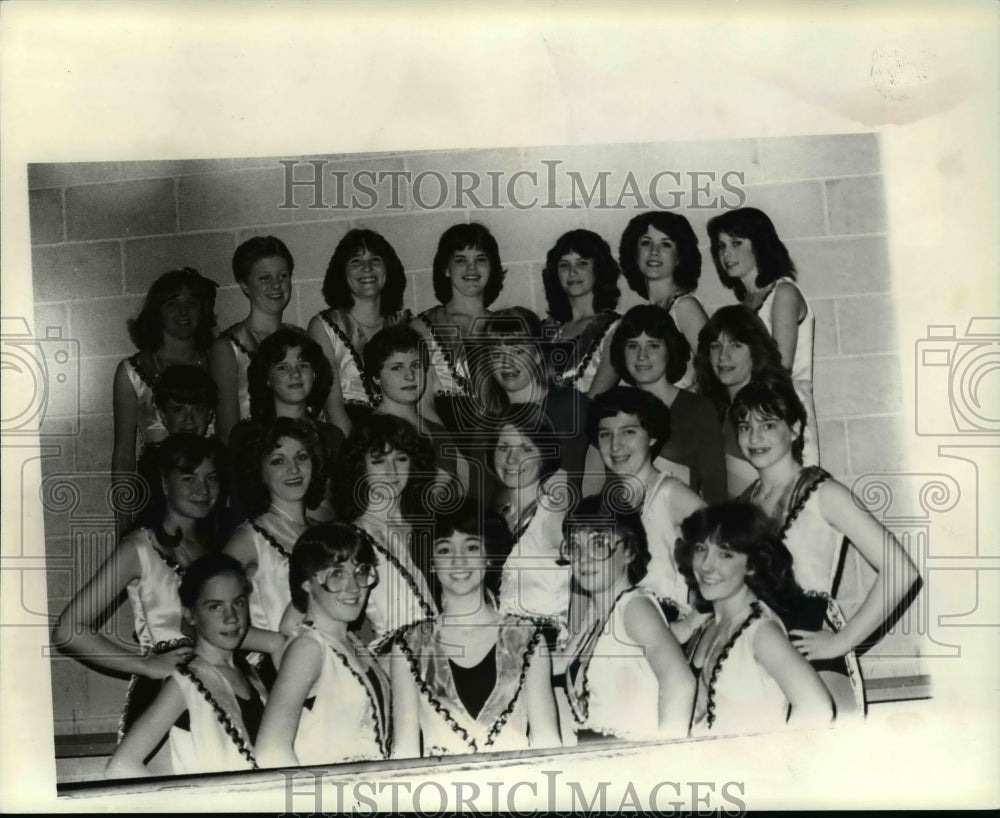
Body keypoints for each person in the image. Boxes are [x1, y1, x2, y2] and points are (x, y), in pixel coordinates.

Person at [731, 374, 921, 713]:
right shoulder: (741, 506)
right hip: (756, 650)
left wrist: (843, 641)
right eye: (745, 426)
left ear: (794, 429)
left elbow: (902, 570)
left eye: (768, 425)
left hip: (809, 643)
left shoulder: (825, 493)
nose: (754, 437)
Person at [53, 434, 228, 750]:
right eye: (189, 478)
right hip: (164, 698)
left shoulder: (219, 547)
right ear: (163, 482)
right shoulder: (139, 546)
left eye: (211, 477)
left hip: (221, 689)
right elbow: (69, 630)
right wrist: (146, 664)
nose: (203, 490)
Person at [391, 503, 561, 757]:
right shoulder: (408, 646)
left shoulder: (528, 638)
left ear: (488, 555)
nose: (458, 560)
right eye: (445, 549)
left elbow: (548, 744)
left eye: (471, 547)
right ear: (432, 562)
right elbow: (404, 752)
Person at [676, 502, 835, 736]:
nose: (707, 565)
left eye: (725, 554)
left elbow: (818, 707)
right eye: (701, 549)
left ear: (752, 565)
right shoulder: (708, 624)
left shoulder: (761, 631)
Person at [105, 554, 267, 777]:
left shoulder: (250, 674)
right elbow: (121, 765)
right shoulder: (186, 682)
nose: (231, 617)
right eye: (215, 607)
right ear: (190, 614)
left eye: (238, 602)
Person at [558, 491, 695, 742]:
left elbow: (680, 683)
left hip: (631, 762)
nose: (583, 558)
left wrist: (669, 761)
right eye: (575, 546)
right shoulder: (596, 616)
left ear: (630, 551)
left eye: (598, 544)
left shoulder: (635, 608)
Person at [256, 523, 390, 767]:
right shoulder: (308, 647)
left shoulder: (350, 642)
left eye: (360, 571)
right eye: (336, 574)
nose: (353, 587)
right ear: (307, 583)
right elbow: (270, 752)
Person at [707, 207, 820, 465]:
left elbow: (780, 369)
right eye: (721, 246)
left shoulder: (783, 293)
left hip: (780, 414)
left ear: (759, 244)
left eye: (736, 243)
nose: (726, 253)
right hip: (748, 416)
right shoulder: (745, 304)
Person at [112, 268, 218, 529]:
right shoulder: (132, 372)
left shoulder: (218, 363)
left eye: (191, 303)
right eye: (173, 303)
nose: (183, 312)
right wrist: (124, 527)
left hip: (211, 492)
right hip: (157, 492)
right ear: (157, 311)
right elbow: (124, 455)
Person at [586, 387, 705, 612]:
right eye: (605, 434)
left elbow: (733, 554)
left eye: (628, 432)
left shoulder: (669, 493)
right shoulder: (605, 505)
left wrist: (693, 622)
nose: (615, 445)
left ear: (652, 436)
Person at [328, 414, 438, 648]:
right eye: (378, 461)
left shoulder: (429, 527)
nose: (392, 471)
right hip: (398, 661)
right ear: (361, 467)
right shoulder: (350, 537)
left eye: (401, 458)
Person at [223, 417, 326, 667]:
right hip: (276, 671)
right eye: (278, 461)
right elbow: (203, 616)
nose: (294, 470)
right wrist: (274, 642)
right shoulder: (250, 538)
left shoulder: (325, 534)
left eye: (301, 457)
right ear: (260, 472)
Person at [609, 305, 726, 503]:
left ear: (669, 350)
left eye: (653, 345)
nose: (641, 356)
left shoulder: (698, 409)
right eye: (632, 345)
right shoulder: (611, 408)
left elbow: (717, 495)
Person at [479, 308, 596, 497]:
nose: (507, 362)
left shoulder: (568, 405)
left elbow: (605, 471)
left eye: (517, 351)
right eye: (497, 354)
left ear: (537, 354)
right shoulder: (488, 421)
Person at [307, 228, 411, 437]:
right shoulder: (324, 326)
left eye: (375, 260)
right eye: (356, 261)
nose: (367, 268)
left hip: (402, 437)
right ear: (342, 272)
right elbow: (332, 407)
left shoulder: (405, 324)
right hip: (348, 438)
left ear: (388, 268)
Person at [233, 327, 343, 521]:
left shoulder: (332, 437)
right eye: (283, 367)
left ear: (315, 374)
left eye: (304, 365)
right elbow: (241, 506)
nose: (295, 374)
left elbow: (340, 508)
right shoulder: (247, 435)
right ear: (267, 378)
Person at [411, 222, 506, 434]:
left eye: (480, 259)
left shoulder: (505, 326)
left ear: (492, 266)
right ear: (445, 268)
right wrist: (453, 458)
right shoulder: (422, 328)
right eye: (460, 260)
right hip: (447, 450)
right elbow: (421, 407)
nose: (471, 268)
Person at [364, 323, 469, 497]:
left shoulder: (436, 431)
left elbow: (462, 489)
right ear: (376, 377)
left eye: (416, 365)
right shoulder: (368, 433)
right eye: (397, 367)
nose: (410, 375)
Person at [210, 236, 296, 445]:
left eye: (283, 276)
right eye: (264, 278)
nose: (276, 285)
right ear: (245, 286)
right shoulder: (227, 347)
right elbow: (228, 433)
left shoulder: (301, 338)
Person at [491, 412, 573, 630]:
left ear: (544, 455)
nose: (511, 459)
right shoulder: (495, 518)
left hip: (546, 646)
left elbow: (589, 586)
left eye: (525, 449)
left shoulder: (556, 515)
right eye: (503, 447)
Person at [693, 304, 785, 499]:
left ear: (755, 351)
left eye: (735, 345)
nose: (723, 356)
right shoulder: (721, 410)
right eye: (716, 346)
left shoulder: (764, 411)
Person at [619, 211, 708, 389]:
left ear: (679, 257)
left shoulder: (684, 307)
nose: (654, 251)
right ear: (634, 254)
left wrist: (680, 408)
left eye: (665, 244)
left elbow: (714, 373)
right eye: (646, 243)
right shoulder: (647, 313)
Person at [541, 229, 622, 396]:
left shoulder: (616, 329)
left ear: (598, 269)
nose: (572, 272)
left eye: (582, 263)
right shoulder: (545, 328)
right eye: (564, 265)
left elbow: (595, 401)